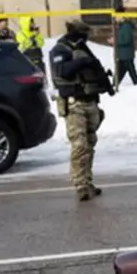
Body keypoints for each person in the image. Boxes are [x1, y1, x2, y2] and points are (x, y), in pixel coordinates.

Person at [49, 19, 115, 202]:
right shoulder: (60, 49)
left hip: (90, 102)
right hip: (74, 103)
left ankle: (87, 181)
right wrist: (82, 62)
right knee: (79, 145)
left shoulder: (82, 47)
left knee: (90, 143)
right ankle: (80, 185)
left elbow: (95, 70)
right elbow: (62, 71)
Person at [113, 9, 137, 89]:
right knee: (119, 72)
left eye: (116, 17)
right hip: (122, 55)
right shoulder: (122, 26)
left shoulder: (126, 26)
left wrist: (115, 41)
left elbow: (126, 40)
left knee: (131, 72)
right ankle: (114, 86)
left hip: (126, 55)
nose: (115, 18)